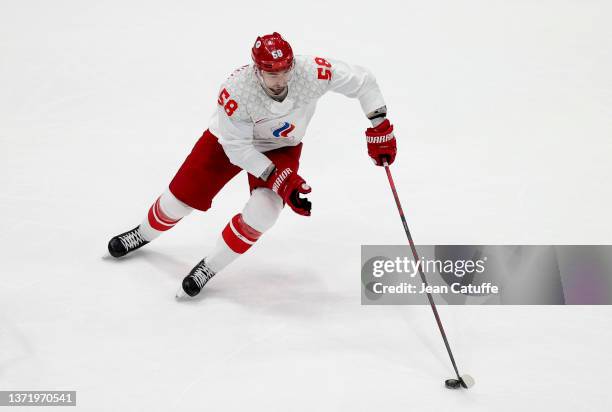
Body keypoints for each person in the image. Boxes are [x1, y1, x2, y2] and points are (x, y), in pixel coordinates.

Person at [108, 32, 397, 298]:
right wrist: (279, 178)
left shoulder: (311, 73)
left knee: (265, 213)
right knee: (179, 201)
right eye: (272, 73)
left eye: (285, 70)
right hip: (228, 144)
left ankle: (210, 266)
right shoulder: (236, 92)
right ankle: (142, 234)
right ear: (256, 70)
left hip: (282, 147)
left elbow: (363, 80)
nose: (280, 80)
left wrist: (380, 126)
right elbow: (238, 150)